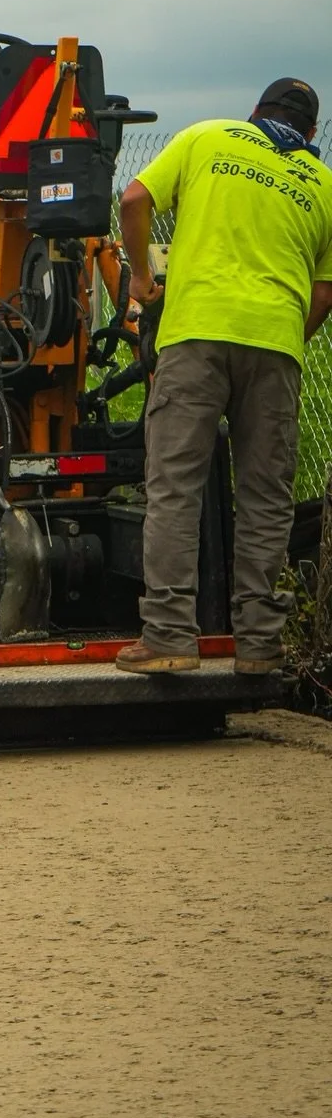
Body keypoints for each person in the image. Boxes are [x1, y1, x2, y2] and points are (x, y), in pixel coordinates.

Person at [116, 77, 332, 677]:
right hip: (277, 345)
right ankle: (259, 645)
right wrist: (281, 337)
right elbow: (323, 293)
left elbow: (133, 200)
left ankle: (168, 637)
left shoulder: (208, 137)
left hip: (197, 333)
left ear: (254, 112)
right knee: (266, 497)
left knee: (175, 487)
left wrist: (141, 278)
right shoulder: (323, 183)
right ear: (312, 131)